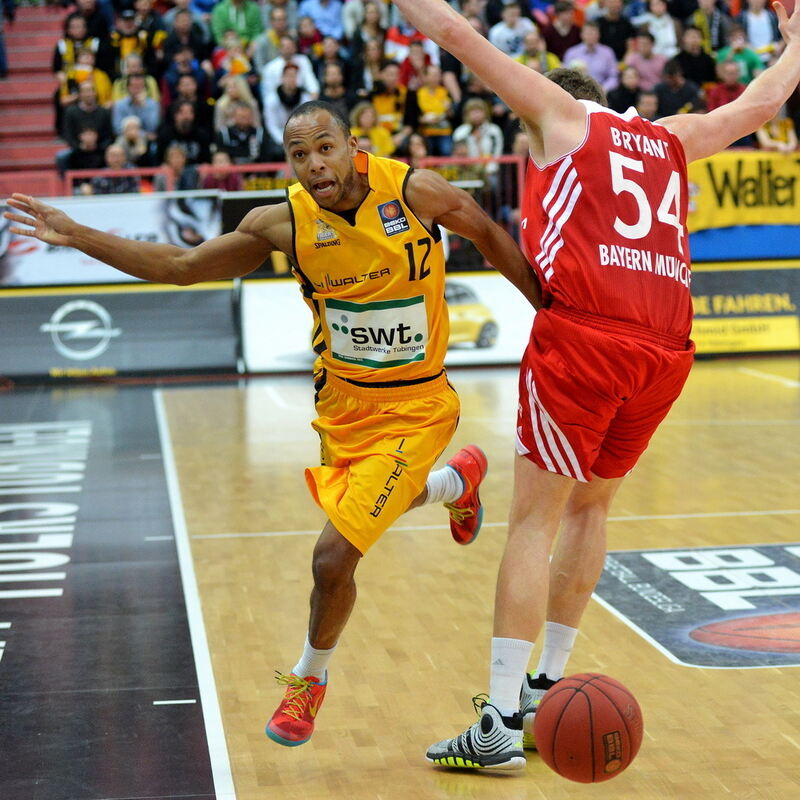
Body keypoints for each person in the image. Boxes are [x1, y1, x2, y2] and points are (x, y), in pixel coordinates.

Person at [5, 99, 540, 749]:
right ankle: (456, 484)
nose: (315, 164)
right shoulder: (283, 224)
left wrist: (552, 313)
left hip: (419, 408)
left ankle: (308, 680)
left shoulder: (416, 191)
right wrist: (79, 233)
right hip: (343, 416)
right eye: (299, 154)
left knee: (332, 556)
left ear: (352, 145)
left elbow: (487, 233)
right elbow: (180, 269)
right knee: (367, 514)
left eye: (325, 148)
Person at [393, 0, 800, 771]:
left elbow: (452, 33)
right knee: (592, 505)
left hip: (587, 336)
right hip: (666, 345)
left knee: (532, 524)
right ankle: (548, 685)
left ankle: (499, 723)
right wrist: (795, 40)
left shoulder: (558, 117)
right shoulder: (669, 137)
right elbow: (766, 102)